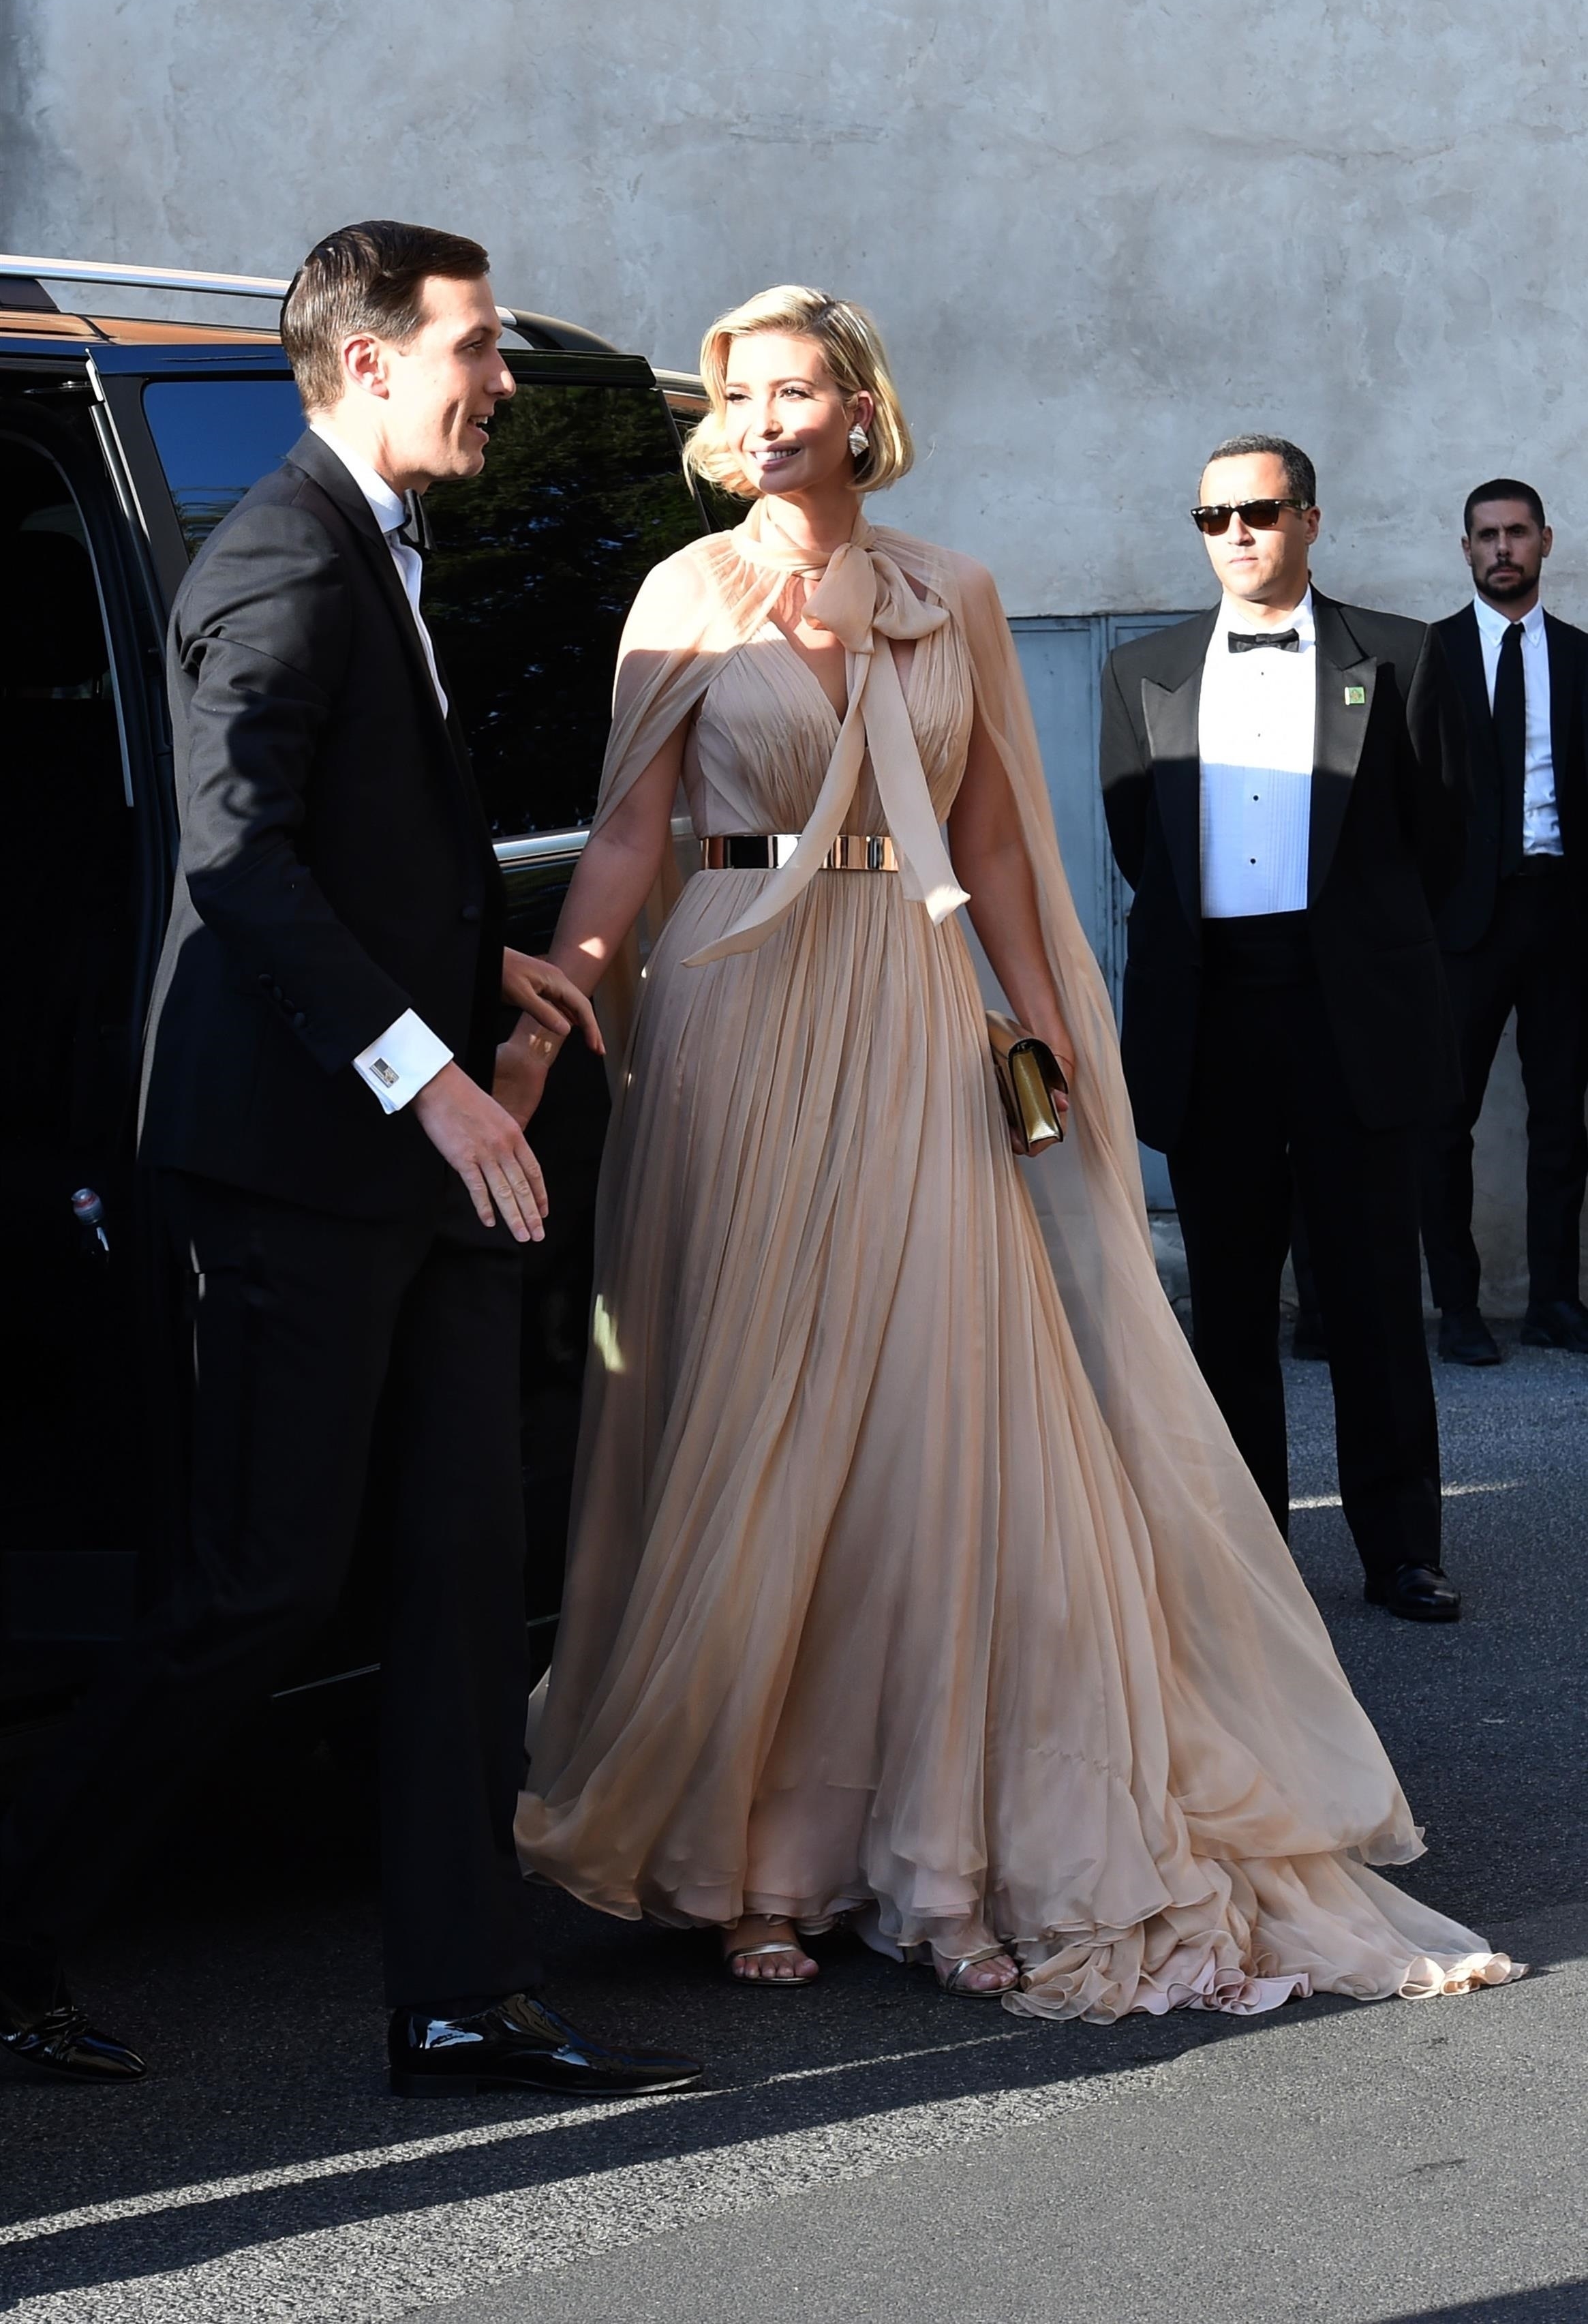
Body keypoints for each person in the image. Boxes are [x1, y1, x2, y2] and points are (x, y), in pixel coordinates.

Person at [508, 292, 1514, 2018]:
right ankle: (749, 1857)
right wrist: (546, 1021)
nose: (762, 419)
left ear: (859, 406)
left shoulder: (953, 591)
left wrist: (1052, 1047)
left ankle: (940, 1847)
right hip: (737, 1013)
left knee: (932, 1425)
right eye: (739, 397)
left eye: (794, 388)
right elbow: (623, 839)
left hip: (914, 1005)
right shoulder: (682, 593)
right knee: (755, 1418)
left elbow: (993, 848)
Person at [0, 221, 699, 2100]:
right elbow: (236, 862)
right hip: (299, 1168)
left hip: (422, 1160)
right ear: (371, 360)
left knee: (464, 1577)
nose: (498, 382)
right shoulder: (277, 562)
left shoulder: (380, 544)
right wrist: (434, 1079)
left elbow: (356, 845)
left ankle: (464, 1999)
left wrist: (481, 975)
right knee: (265, 1586)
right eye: (476, 347)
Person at [1099, 437, 1465, 1626]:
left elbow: (1443, 839)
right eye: (1212, 516)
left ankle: (1402, 1550)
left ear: (1309, 517)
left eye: (1257, 511)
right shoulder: (1142, 670)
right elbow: (1141, 849)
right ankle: (1245, 1563)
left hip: (1350, 1009)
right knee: (1229, 1304)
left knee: (1371, 1295)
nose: (1236, 534)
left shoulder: (1399, 656)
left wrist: (1370, 951)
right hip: (1212, 1014)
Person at [1419, 479, 1588, 1363]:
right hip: (1462, 926)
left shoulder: (1581, 658)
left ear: (1544, 541)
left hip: (1562, 916)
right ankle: (1458, 1307)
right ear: (1466, 549)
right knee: (1443, 1120)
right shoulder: (1428, 657)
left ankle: (1554, 1302)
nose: (1501, 549)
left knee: (1561, 1120)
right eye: (1486, 536)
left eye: (1516, 533)